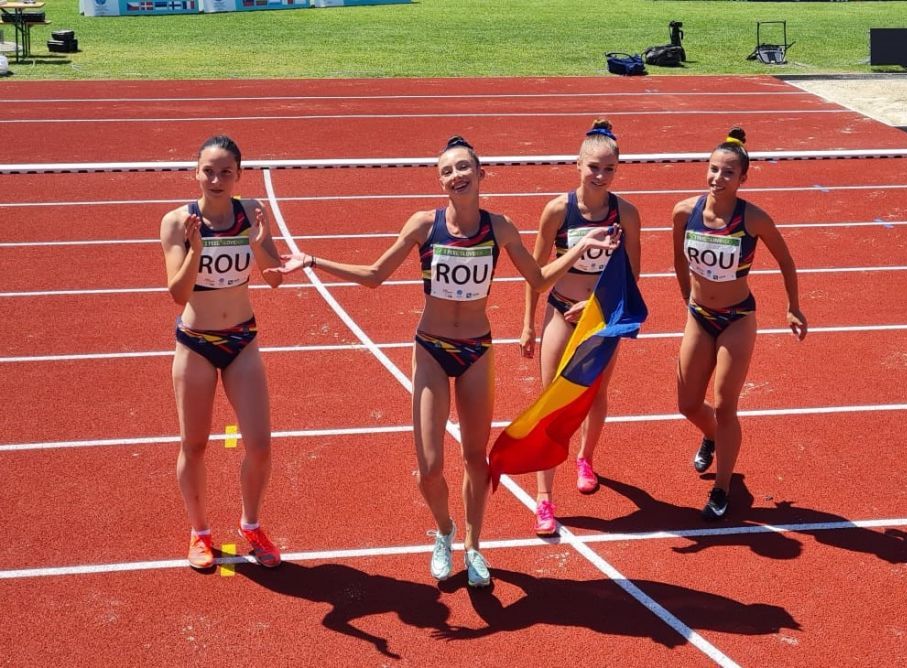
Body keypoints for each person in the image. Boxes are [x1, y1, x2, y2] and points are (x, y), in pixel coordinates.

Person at [266, 136, 619, 587]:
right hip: (432, 347)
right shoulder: (423, 225)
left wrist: (581, 245)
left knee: (476, 458)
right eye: (447, 171)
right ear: (441, 181)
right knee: (430, 465)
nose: (456, 176)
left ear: (480, 173)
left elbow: (540, 276)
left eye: (463, 168)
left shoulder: (501, 227)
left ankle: (474, 546)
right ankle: (445, 531)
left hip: (476, 352)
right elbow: (375, 276)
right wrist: (314, 260)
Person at [159, 135, 285, 569]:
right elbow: (178, 294)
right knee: (193, 444)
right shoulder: (177, 222)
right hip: (196, 342)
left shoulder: (251, 213)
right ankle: (200, 533)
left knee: (261, 445)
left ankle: (251, 525)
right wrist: (196, 250)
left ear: (238, 175)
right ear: (195, 173)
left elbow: (274, 278)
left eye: (225, 172)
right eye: (208, 171)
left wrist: (256, 241)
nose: (216, 179)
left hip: (241, 340)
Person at [671, 127, 807, 521]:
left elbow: (786, 260)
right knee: (687, 403)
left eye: (728, 173)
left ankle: (722, 486)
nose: (718, 178)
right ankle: (711, 436)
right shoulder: (684, 211)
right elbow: (679, 260)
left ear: (743, 179)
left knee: (726, 403)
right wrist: (687, 297)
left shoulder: (755, 219)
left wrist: (793, 307)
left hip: (737, 318)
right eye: (713, 170)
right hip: (699, 315)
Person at [518, 119, 642, 537]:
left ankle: (586, 457)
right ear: (577, 165)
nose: (601, 175)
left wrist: (597, 306)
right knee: (551, 399)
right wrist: (527, 326)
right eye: (593, 167)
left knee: (596, 393)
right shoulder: (558, 210)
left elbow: (631, 274)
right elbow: (536, 273)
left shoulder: (626, 213)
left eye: (609, 169)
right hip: (559, 311)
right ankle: (544, 498)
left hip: (600, 318)